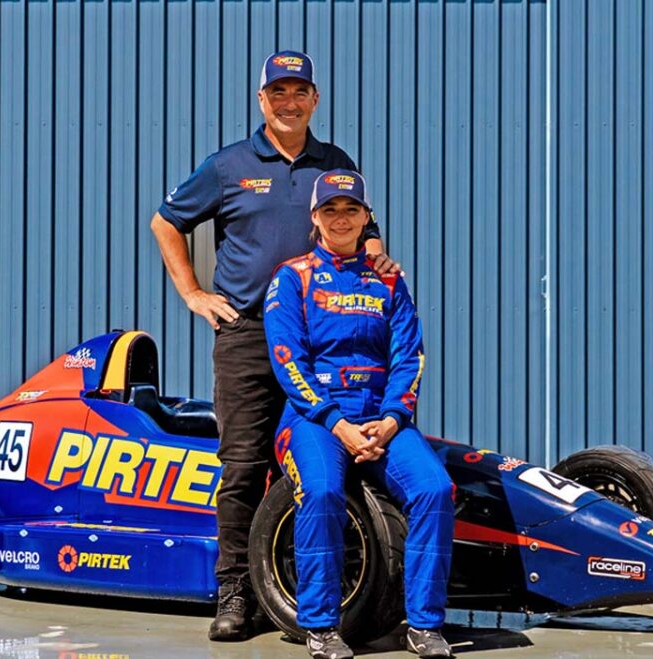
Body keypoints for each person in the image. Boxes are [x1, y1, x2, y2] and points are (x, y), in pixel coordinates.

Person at [150, 50, 399, 641]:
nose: (290, 102)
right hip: (250, 336)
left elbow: (364, 230)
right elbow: (166, 222)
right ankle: (235, 591)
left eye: (300, 91)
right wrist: (193, 293)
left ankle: (318, 586)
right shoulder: (228, 165)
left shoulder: (335, 163)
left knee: (336, 457)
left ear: (315, 99)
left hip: (325, 338)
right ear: (262, 100)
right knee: (243, 466)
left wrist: (377, 258)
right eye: (278, 92)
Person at [264, 170, 454, 659]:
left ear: (367, 217)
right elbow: (287, 359)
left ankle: (424, 625)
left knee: (434, 489)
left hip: (381, 416)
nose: (341, 218)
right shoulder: (292, 277)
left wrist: (392, 419)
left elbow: (409, 357)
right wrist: (337, 423)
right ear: (315, 217)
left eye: (351, 209)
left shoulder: (389, 278)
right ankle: (321, 627)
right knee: (322, 491)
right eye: (330, 209)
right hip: (313, 418)